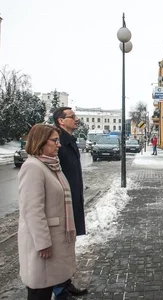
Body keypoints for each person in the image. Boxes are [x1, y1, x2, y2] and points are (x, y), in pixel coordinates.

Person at [18, 124, 76, 300]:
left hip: (55, 240)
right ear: (40, 142)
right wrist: (43, 243)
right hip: (43, 243)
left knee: (47, 286)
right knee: (39, 292)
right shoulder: (33, 167)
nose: (58, 144)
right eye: (54, 140)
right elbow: (32, 210)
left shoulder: (52, 165)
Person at [53, 107, 88, 299]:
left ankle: (65, 283)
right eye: (72, 116)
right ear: (60, 121)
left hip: (72, 200)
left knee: (68, 245)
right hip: (61, 204)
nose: (76, 119)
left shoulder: (69, 140)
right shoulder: (56, 142)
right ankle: (59, 289)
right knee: (61, 246)